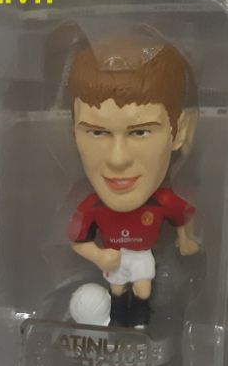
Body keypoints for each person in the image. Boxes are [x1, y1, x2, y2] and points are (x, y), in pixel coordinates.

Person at [65, 29, 200, 328]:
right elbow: (78, 240)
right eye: (97, 132)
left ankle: (139, 321)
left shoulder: (163, 201)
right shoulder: (91, 206)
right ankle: (118, 321)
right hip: (115, 260)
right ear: (73, 130)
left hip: (141, 258)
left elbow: (183, 219)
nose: (117, 159)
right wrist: (99, 257)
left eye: (140, 132)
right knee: (118, 290)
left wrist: (187, 240)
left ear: (181, 132)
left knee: (142, 290)